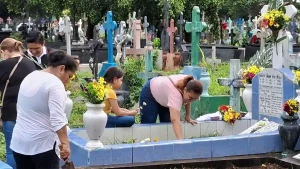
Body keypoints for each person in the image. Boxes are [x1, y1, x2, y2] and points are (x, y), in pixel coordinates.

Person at [10, 50, 77, 169]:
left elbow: (20, 107)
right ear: (61, 69)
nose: (68, 81)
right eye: (69, 76)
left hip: (19, 143)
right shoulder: (55, 84)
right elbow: (58, 119)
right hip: (42, 147)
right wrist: (65, 144)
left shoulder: (31, 76)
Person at [0, 38, 36, 169]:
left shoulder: (2, 65)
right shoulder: (30, 63)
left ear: (4, 51)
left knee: (11, 149)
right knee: (27, 149)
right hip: (29, 112)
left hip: (9, 112)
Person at [139, 75, 203, 140]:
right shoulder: (175, 93)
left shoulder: (193, 85)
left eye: (195, 99)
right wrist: (181, 142)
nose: (192, 100)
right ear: (185, 89)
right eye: (191, 98)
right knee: (148, 125)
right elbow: (175, 120)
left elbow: (188, 99)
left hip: (165, 95)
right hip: (150, 92)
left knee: (167, 125)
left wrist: (188, 117)